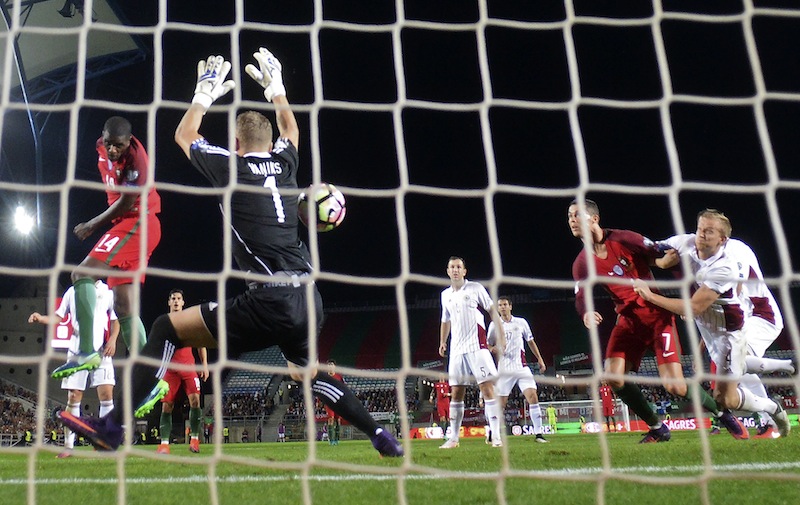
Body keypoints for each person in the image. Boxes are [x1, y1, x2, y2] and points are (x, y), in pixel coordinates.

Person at [58, 49, 403, 458]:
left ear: (236, 144)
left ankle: (113, 428)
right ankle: (381, 434)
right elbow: (291, 128)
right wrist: (277, 90)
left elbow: (184, 136)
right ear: (271, 143)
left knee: (167, 327)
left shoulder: (231, 167)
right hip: (309, 297)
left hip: (269, 298)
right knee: (307, 371)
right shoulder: (285, 163)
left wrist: (202, 95)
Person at [568, 199, 736, 443]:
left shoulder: (624, 238)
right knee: (613, 376)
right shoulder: (582, 263)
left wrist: (686, 292)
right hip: (627, 322)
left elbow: (665, 257)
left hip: (657, 317)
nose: (572, 220)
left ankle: (721, 412)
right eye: (569, 216)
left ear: (594, 219)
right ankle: (657, 427)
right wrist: (585, 313)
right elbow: (581, 296)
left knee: (675, 387)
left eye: (577, 215)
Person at [634, 209, 790, 438]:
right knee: (724, 396)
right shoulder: (685, 243)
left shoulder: (731, 259)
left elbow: (713, 304)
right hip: (716, 325)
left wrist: (651, 296)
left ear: (722, 238)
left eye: (709, 231)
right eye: (700, 229)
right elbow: (648, 248)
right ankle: (781, 375)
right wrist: (659, 261)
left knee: (741, 362)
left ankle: (769, 421)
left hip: (758, 316)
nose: (702, 235)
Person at [51, 116, 161, 380]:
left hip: (138, 223)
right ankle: (151, 379)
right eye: (109, 144)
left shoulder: (137, 162)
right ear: (103, 137)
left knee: (81, 273)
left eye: (119, 146)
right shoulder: (100, 147)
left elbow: (126, 202)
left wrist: (92, 224)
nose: (113, 150)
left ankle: (87, 351)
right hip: (133, 225)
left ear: (129, 142)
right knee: (123, 306)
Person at [28, 280, 119, 458]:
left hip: (101, 351)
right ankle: (69, 446)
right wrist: (42, 318)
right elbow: (60, 316)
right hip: (77, 351)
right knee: (74, 396)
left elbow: (115, 320)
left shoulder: (107, 292)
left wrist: (113, 340)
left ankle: (104, 442)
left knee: (107, 395)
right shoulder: (73, 291)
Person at [438, 256, 506, 449]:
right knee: (457, 392)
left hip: (477, 347)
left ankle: (496, 435)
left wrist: (501, 335)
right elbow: (445, 320)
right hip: (457, 350)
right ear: (448, 271)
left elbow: (493, 311)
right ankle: (453, 438)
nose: (456, 270)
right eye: (452, 267)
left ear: (464, 271)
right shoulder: (445, 295)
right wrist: (443, 341)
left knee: (487, 389)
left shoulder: (475, 288)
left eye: (459, 266)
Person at [487, 296, 549, 443]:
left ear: (510, 306)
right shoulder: (494, 325)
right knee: (500, 404)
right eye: (499, 305)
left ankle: (539, 434)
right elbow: (487, 344)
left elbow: (530, 341)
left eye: (504, 304)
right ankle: (493, 432)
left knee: (533, 397)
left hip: (522, 368)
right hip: (504, 370)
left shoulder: (521, 322)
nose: (502, 307)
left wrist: (539, 359)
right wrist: (492, 348)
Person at [156, 289, 209, 455]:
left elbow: (201, 342)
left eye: (179, 298)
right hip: (169, 370)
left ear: (183, 302)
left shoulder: (189, 320)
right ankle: (164, 444)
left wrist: (205, 364)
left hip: (188, 368)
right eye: (173, 298)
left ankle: (194, 440)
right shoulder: (163, 322)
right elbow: (156, 347)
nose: (176, 301)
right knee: (166, 406)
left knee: (195, 401)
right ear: (169, 302)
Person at [323, 360, 343, 446]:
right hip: (329, 401)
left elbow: (343, 388)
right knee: (330, 419)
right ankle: (331, 440)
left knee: (338, 420)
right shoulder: (324, 377)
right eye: (329, 366)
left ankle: (337, 439)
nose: (330, 367)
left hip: (338, 401)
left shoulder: (339, 377)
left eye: (332, 365)